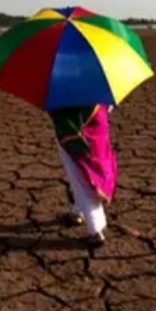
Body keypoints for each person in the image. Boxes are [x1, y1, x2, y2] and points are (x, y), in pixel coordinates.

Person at [48, 103, 118, 246]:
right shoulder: (97, 85)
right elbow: (109, 106)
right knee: (80, 177)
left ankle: (95, 229)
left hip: (78, 135)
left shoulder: (64, 89)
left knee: (80, 178)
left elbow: (62, 117)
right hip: (98, 127)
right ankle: (77, 212)